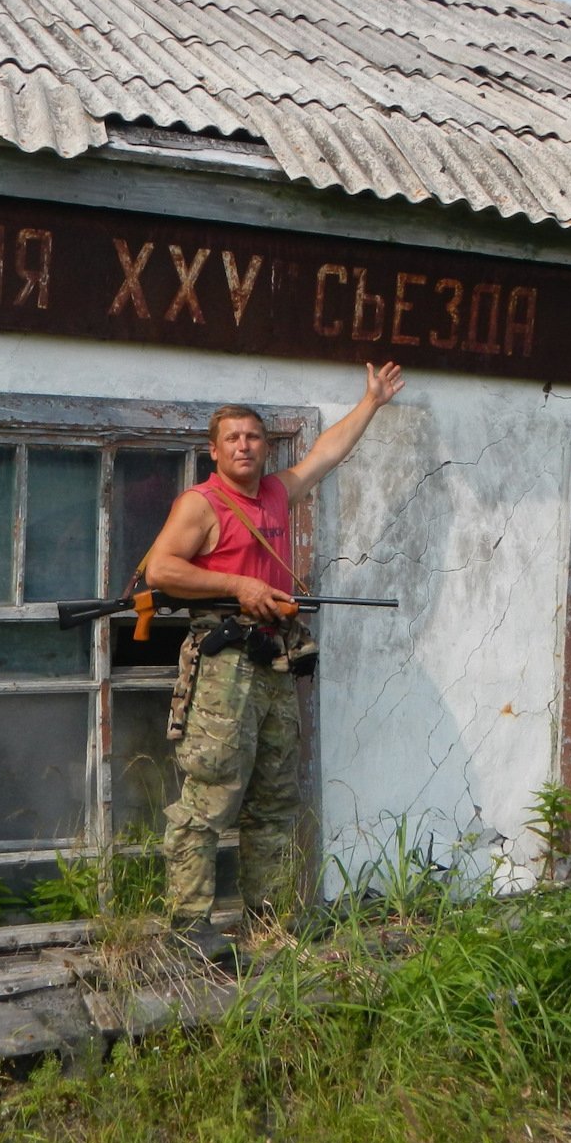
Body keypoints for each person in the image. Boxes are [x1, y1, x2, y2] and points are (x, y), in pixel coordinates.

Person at [145, 362, 405, 955]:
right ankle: (188, 927)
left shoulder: (275, 492)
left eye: (254, 437)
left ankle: (266, 920)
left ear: (266, 447)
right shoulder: (201, 504)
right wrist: (238, 586)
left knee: (274, 798)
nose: (244, 445)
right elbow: (162, 570)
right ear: (215, 452)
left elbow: (326, 455)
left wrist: (370, 402)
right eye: (233, 438)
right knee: (210, 793)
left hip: (273, 660)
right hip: (223, 663)